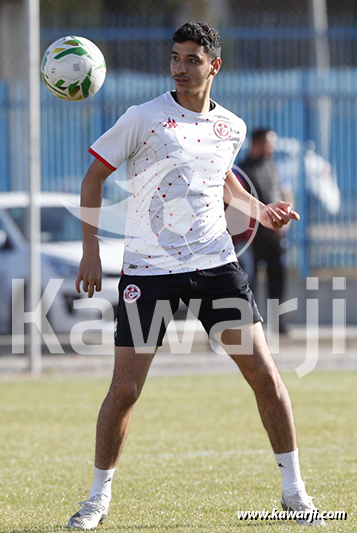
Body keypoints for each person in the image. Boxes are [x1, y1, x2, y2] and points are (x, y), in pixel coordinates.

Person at [69, 23, 324, 529]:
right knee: (125, 391)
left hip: (214, 266)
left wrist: (259, 208)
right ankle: (97, 499)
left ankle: (295, 493)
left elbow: (219, 174)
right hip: (150, 270)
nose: (180, 68)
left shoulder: (231, 126)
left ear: (214, 65)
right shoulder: (143, 118)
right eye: (175, 58)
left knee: (267, 377)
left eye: (191, 59)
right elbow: (94, 176)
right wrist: (91, 254)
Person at [240, 129, 293, 333]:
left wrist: (285, 220)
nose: (271, 148)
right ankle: (252, 324)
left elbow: (286, 193)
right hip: (252, 238)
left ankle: (278, 323)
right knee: (249, 281)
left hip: (275, 237)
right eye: (268, 143)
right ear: (257, 143)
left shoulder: (276, 167)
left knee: (277, 279)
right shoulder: (242, 170)